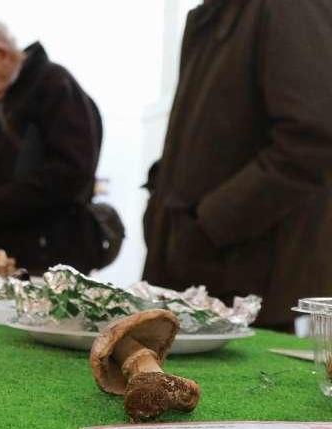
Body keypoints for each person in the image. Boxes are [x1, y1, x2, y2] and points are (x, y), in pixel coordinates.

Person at [142, 1, 332, 329]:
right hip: (204, 277)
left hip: (244, 284)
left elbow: (310, 140)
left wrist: (209, 223)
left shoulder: (285, 7)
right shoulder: (223, 13)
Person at [0, 20, 104, 274]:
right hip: (11, 254)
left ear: (2, 53)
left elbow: (71, 172)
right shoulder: (3, 100)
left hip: (50, 259)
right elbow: (8, 176)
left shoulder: (54, 86)